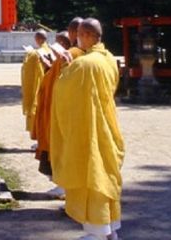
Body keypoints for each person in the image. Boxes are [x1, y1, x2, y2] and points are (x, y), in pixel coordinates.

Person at [51, 18, 124, 240]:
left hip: (89, 127)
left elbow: (63, 91)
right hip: (106, 123)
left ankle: (96, 231)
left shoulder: (84, 64)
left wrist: (64, 66)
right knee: (106, 173)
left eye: (80, 35)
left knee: (92, 175)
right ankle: (110, 228)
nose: (77, 39)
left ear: (88, 35)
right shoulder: (108, 58)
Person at [33, 18, 83, 197]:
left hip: (60, 108)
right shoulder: (80, 54)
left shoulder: (74, 54)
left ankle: (64, 186)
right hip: (63, 106)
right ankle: (64, 185)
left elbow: (64, 80)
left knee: (62, 147)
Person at [21, 28, 52, 143]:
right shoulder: (50, 50)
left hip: (38, 86)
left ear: (38, 39)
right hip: (48, 86)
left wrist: (28, 54)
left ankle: (40, 139)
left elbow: (28, 68)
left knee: (37, 113)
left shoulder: (35, 53)